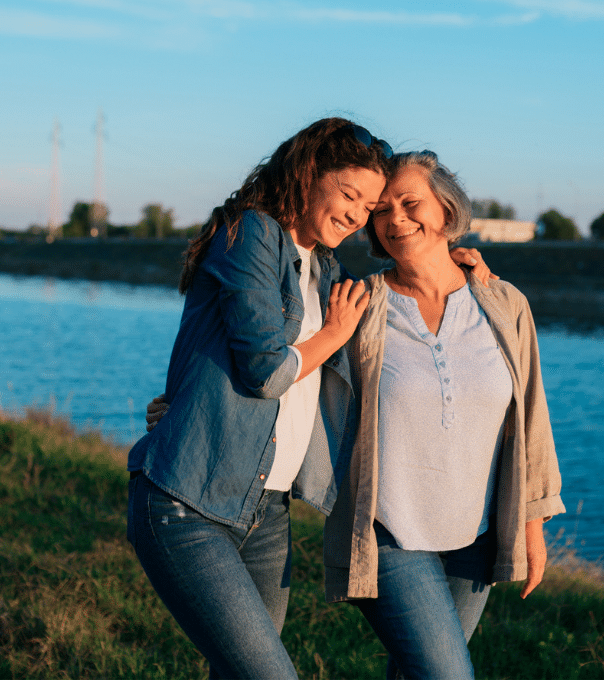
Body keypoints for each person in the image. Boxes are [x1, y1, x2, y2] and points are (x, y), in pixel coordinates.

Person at [130, 118, 489, 679]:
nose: (357, 214)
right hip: (189, 499)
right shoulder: (250, 232)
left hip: (265, 510)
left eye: (366, 206)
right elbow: (264, 370)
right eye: (349, 194)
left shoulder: (325, 270)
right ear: (306, 173)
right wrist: (330, 337)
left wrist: (462, 268)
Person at [322, 150, 565, 679]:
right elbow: (293, 358)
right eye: (382, 210)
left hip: (474, 538)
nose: (395, 220)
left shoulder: (503, 302)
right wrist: (192, 398)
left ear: (447, 210)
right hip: (389, 533)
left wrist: (533, 521)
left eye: (411, 203)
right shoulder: (360, 305)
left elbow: (531, 419)